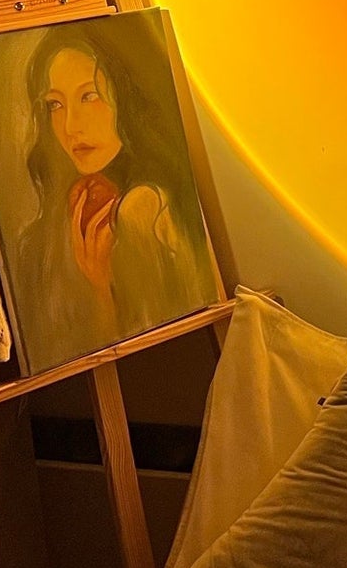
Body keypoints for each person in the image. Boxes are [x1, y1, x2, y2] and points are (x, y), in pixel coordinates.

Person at [14, 25, 209, 368]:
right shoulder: (48, 231)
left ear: (125, 94)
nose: (70, 126)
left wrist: (101, 290)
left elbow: (153, 353)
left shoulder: (144, 206)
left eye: (89, 96)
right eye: (55, 104)